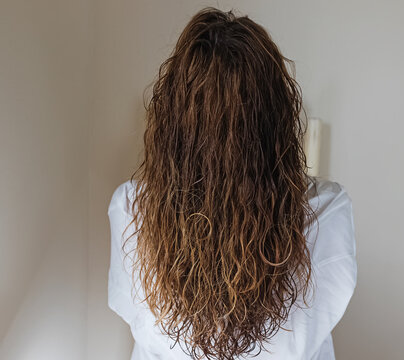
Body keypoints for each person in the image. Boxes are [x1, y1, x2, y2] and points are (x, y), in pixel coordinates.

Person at [107, 7, 357, 360]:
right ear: (276, 119)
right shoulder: (327, 211)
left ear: (173, 124)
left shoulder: (130, 209)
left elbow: (140, 323)